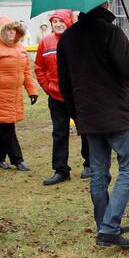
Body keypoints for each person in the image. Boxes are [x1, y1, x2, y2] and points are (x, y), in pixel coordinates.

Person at [57, 1, 129, 248]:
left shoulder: (67, 38)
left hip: (89, 116)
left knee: (98, 172)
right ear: (106, 2)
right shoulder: (110, 31)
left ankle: (105, 223)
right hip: (117, 114)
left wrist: (77, 114)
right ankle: (108, 228)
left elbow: (64, 84)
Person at [36, 10, 91, 186]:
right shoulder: (45, 42)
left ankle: (90, 164)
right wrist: (47, 87)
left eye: (61, 21)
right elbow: (39, 67)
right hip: (56, 96)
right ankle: (61, 170)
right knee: (59, 133)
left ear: (68, 22)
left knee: (85, 130)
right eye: (54, 21)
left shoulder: (78, 40)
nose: (58, 24)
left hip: (77, 95)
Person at [0, 17, 38, 171]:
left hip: (14, 95)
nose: (11, 33)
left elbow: (26, 71)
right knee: (8, 126)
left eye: (14, 30)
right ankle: (17, 159)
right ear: (1, 31)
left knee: (6, 126)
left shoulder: (20, 47)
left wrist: (32, 90)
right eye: (8, 30)